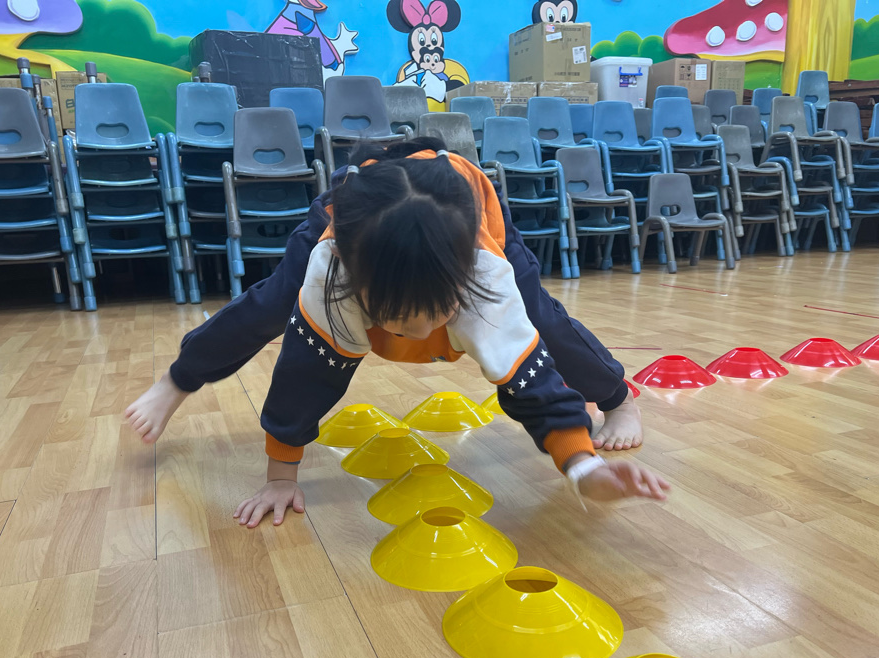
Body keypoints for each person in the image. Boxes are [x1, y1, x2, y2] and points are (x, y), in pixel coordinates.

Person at [126, 140, 668, 527]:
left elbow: (531, 382)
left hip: (464, 209)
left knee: (540, 317)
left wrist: (584, 468)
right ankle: (178, 380)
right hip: (356, 221)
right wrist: (281, 478)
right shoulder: (332, 273)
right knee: (271, 304)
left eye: (437, 315)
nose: (423, 335)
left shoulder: (484, 276)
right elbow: (303, 377)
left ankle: (617, 397)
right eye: (400, 319)